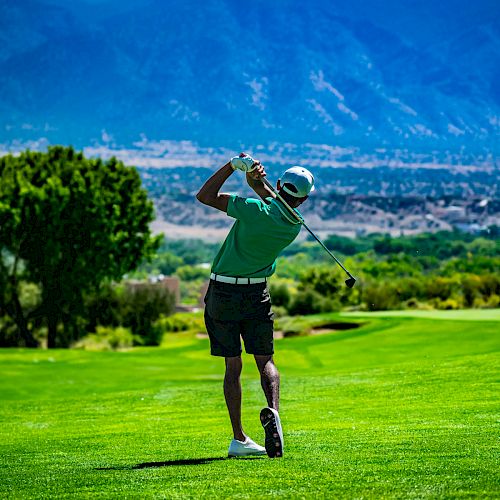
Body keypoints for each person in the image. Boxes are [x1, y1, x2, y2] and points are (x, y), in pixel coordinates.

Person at [196, 153, 315, 458]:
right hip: (257, 295)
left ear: (278, 184)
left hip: (223, 292)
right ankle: (273, 413)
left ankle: (239, 438)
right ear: (302, 201)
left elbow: (205, 195)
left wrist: (233, 166)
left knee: (232, 365)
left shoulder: (251, 209)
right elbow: (278, 205)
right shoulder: (294, 224)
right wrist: (255, 183)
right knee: (265, 361)